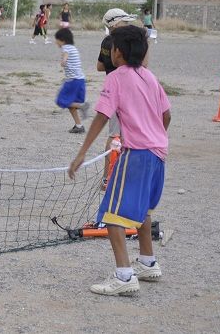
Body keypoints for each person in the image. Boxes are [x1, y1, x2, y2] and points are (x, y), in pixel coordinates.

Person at [68, 24, 171, 296]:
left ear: (118, 52)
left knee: (112, 214)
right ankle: (147, 261)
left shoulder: (115, 78)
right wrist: (155, 135)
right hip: (158, 155)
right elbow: (167, 115)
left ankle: (124, 277)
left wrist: (81, 154)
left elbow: (101, 117)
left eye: (111, 48)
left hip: (136, 154)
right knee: (143, 212)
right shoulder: (150, 77)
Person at [97, 8, 137, 186]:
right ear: (114, 24)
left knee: (115, 135)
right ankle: (108, 178)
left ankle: (110, 175)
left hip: (111, 89)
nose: (127, 24)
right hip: (124, 93)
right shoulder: (122, 42)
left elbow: (99, 66)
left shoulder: (106, 41)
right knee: (117, 136)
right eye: (124, 21)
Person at [54, 28, 90, 133]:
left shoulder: (66, 48)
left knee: (61, 101)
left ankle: (82, 106)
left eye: (57, 40)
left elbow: (65, 56)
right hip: (80, 80)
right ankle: (79, 126)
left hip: (72, 81)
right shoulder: (74, 48)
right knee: (71, 105)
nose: (56, 42)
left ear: (63, 40)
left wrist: (63, 61)